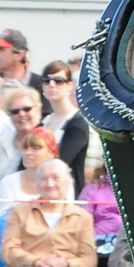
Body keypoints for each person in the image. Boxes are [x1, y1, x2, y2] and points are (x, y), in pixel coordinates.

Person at [39, 60, 91, 192]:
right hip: (42, 189)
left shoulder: (78, 122)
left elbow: (61, 162)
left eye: (58, 81)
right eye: (46, 80)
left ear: (70, 85)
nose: (51, 85)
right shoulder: (44, 121)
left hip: (68, 194)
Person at [0, 86, 42, 188]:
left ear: (38, 111)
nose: (21, 114)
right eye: (15, 111)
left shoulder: (48, 143)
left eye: (27, 109)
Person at [0, 29, 49, 111]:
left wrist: (10, 93)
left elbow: (45, 117)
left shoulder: (43, 85)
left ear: (19, 55)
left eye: (1, 49)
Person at [0, 130, 59, 205]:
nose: (28, 152)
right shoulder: (8, 182)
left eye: (35, 148)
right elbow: (3, 212)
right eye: (25, 148)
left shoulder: (62, 183)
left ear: (51, 152)